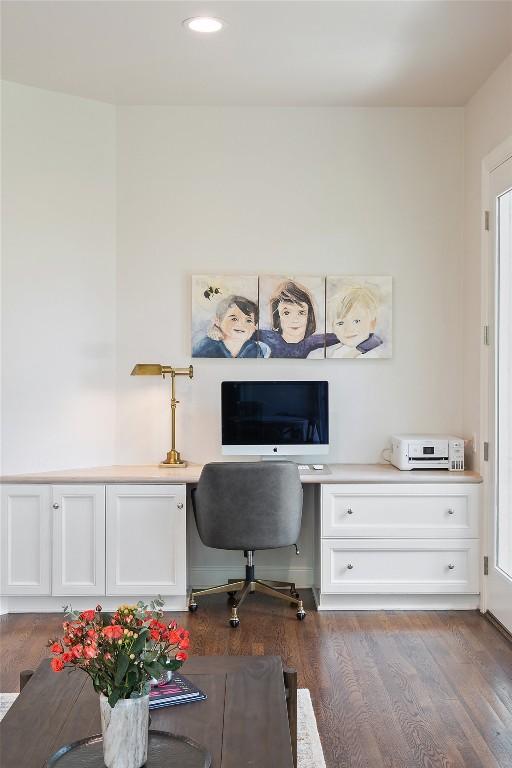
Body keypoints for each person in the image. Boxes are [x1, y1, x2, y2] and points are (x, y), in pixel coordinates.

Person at [308, 283, 384, 359]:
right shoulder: (336, 352)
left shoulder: (373, 355)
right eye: (340, 323)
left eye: (356, 321)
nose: (348, 329)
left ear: (372, 323)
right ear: (332, 327)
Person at [259, 281, 330, 358]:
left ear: (309, 316)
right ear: (277, 317)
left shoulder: (314, 342)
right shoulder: (267, 338)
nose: (295, 320)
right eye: (286, 313)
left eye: (301, 312)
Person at [192, 295, 270, 358]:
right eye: (234, 319)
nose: (241, 324)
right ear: (217, 321)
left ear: (255, 326)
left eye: (248, 321)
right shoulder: (206, 348)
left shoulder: (255, 349)